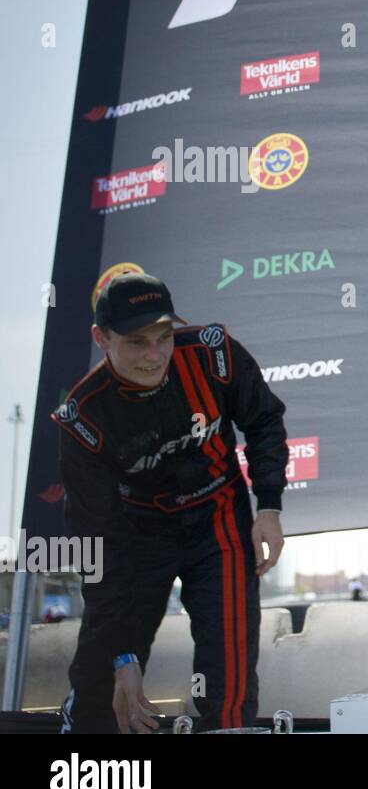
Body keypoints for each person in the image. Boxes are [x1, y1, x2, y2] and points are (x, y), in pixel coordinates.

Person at [53, 273, 287, 733]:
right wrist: (122, 654)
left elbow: (264, 420)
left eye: (162, 338)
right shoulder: (84, 417)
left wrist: (270, 507)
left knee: (229, 680)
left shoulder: (213, 354)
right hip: (136, 534)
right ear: (101, 338)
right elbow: (97, 544)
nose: (155, 355)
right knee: (105, 679)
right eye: (137, 342)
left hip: (218, 518)